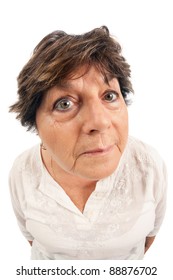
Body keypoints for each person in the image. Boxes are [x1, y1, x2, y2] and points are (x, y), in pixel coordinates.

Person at [9, 26, 167, 260]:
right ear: (35, 124)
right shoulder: (23, 171)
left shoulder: (149, 166)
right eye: (64, 104)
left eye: (110, 96)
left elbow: (149, 237)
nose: (100, 122)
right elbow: (32, 239)